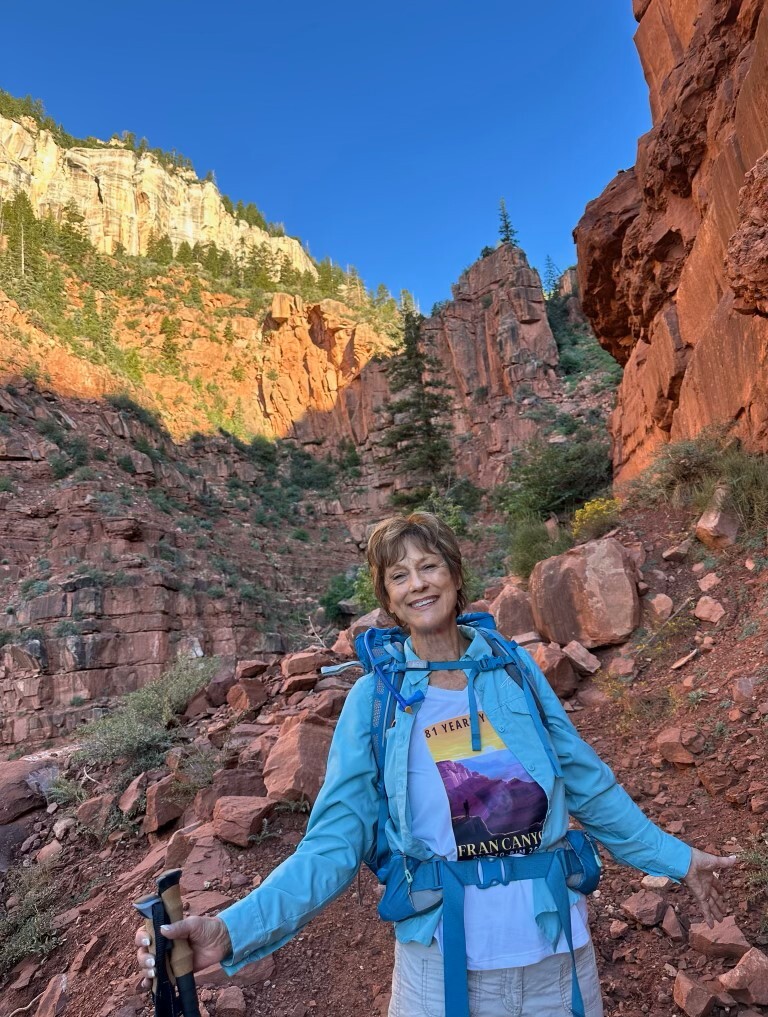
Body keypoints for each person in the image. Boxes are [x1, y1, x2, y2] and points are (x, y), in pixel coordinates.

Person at [136, 512, 737, 1016]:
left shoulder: (513, 671)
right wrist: (233, 928)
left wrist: (677, 858)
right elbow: (333, 843)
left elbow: (586, 782)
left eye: (428, 567)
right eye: (399, 575)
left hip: (557, 954)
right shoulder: (377, 701)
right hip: (441, 967)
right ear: (387, 598)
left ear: (454, 575)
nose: (417, 584)